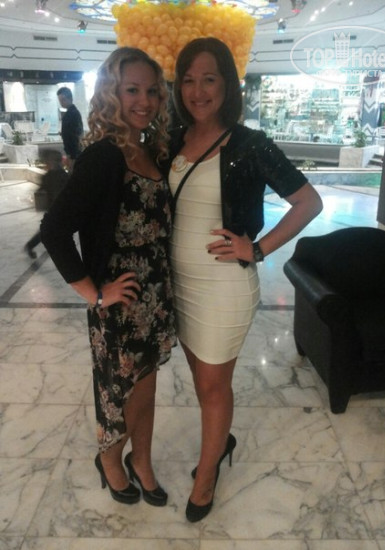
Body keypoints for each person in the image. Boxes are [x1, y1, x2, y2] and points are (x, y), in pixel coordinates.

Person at [165, 37, 323, 522]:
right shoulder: (173, 138)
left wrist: (256, 249)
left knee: (214, 386)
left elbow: (309, 203)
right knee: (202, 380)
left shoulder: (251, 144)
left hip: (224, 289)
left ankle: (207, 475)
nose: (198, 90)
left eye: (209, 78)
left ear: (228, 85)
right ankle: (222, 440)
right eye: (189, 80)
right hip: (180, 286)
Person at [41, 48, 176, 506]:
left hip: (154, 297)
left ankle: (143, 460)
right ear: (111, 94)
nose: (144, 101)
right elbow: (54, 229)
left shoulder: (152, 150)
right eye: (131, 90)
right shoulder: (102, 156)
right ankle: (110, 458)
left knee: (146, 387)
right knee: (120, 392)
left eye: (152, 91)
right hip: (119, 302)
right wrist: (94, 294)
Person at [24, 149, 68, 259]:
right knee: (48, 231)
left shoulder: (52, 176)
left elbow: (41, 189)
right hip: (56, 210)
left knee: (49, 231)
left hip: (56, 209)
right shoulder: (60, 175)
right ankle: (30, 246)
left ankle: (30, 246)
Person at [57, 86, 84, 171]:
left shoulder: (72, 114)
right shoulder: (72, 113)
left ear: (70, 98)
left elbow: (75, 134)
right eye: (60, 100)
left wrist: (70, 153)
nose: (61, 103)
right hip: (73, 151)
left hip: (73, 152)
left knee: (73, 172)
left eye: (63, 100)